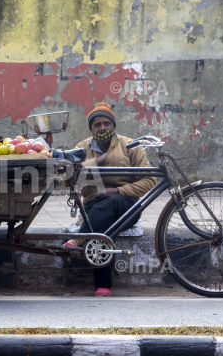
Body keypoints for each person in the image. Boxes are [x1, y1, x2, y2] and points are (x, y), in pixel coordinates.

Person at [64, 103, 156, 297]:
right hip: (93, 206)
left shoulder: (131, 146)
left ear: (114, 126)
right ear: (91, 128)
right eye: (97, 124)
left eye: (107, 123)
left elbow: (149, 180)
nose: (103, 128)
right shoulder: (82, 147)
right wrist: (98, 161)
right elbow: (69, 175)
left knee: (111, 202)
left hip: (127, 206)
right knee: (105, 226)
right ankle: (102, 286)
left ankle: (76, 240)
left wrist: (117, 190)